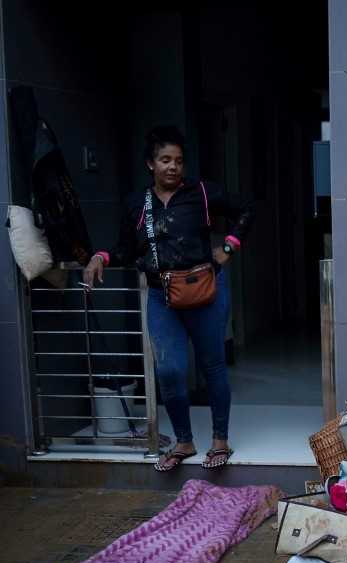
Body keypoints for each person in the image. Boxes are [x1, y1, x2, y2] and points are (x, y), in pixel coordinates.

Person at [84, 125, 255, 472]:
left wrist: (228, 246)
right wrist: (101, 257)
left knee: (213, 366)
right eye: (165, 160)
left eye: (178, 161)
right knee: (169, 369)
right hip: (162, 296)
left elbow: (246, 208)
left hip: (206, 291)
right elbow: (124, 249)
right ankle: (184, 441)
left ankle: (220, 440)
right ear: (151, 164)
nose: (173, 167)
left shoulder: (202, 193)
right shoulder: (137, 203)